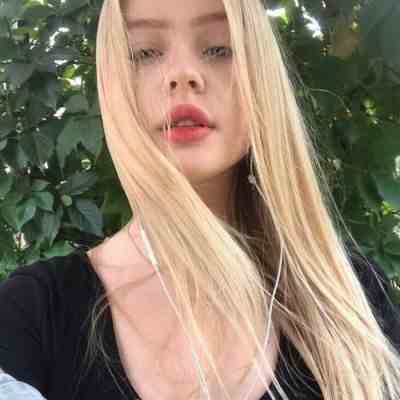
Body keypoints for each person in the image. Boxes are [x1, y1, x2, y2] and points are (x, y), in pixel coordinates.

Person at [1, 0, 400, 399]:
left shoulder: (350, 300)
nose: (182, 74)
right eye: (145, 52)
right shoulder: (33, 313)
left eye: (220, 48)